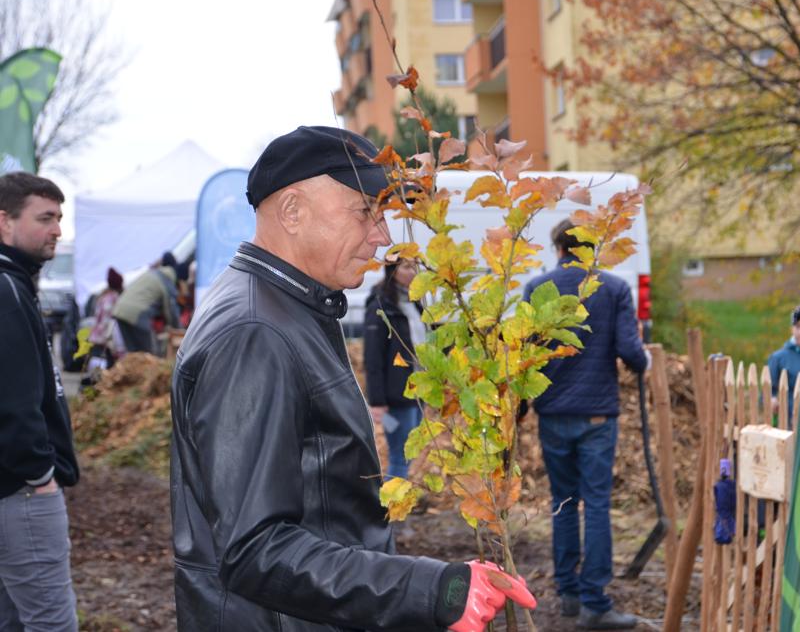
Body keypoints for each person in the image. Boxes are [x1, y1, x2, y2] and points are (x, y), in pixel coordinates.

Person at [169, 125, 535, 632]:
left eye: (384, 214)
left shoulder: (289, 309)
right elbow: (254, 549)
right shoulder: (256, 333)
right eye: (366, 211)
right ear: (292, 211)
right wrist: (431, 590)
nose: (383, 236)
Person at [523, 219, 648, 630]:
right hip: (596, 414)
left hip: (553, 413)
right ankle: (596, 602)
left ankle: (568, 596)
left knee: (562, 504)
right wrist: (643, 360)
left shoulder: (537, 290)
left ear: (557, 247)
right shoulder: (611, 289)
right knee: (595, 504)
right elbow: (630, 352)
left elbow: (526, 356)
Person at [0, 171, 80, 631]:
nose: (57, 230)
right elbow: (12, 402)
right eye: (45, 218)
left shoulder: (13, 284)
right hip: (22, 493)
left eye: (60, 218)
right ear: (5, 223)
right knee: (51, 623)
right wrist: (41, 476)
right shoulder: (7, 291)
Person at [364, 258, 426, 480]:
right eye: (406, 267)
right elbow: (373, 357)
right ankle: (394, 510)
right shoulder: (381, 305)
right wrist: (377, 401)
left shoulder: (414, 302)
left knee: (408, 454)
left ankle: (397, 506)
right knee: (401, 455)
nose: (413, 272)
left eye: (415, 267)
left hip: (418, 390)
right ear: (392, 269)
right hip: (397, 395)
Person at [111, 254, 180, 355]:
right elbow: (171, 311)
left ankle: (132, 371)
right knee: (148, 353)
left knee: (133, 353)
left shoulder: (151, 274)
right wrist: (178, 329)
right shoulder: (167, 281)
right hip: (136, 314)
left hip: (119, 310)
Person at [768, 302, 800, 424]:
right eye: (798, 326)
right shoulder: (778, 358)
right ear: (792, 328)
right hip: (787, 423)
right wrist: (772, 399)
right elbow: (768, 392)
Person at [86, 267, 125, 365]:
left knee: (97, 363)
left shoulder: (103, 296)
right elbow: (109, 322)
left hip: (96, 336)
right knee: (108, 365)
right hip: (106, 338)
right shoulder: (114, 299)